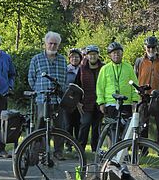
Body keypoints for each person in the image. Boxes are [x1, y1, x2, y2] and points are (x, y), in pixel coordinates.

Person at [28, 31, 68, 159]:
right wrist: (38, 90)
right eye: (50, 43)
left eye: (55, 44)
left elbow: (65, 78)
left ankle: (58, 151)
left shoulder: (62, 60)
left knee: (59, 126)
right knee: (40, 125)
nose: (52, 46)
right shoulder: (36, 59)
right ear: (45, 44)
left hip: (58, 98)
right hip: (42, 98)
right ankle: (38, 150)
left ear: (58, 45)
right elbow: (31, 78)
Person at [134, 36, 159, 144]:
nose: (151, 50)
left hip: (157, 96)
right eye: (149, 47)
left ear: (156, 48)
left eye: (153, 47)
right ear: (145, 47)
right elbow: (135, 76)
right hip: (143, 96)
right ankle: (143, 149)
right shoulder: (139, 61)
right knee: (143, 124)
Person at [96, 42, 139, 120]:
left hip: (126, 103)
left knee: (125, 128)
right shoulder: (105, 69)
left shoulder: (128, 67)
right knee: (112, 128)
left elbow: (134, 85)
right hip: (110, 103)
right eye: (114, 53)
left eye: (118, 52)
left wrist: (135, 100)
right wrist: (101, 102)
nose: (116, 55)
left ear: (122, 54)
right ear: (110, 55)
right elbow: (100, 87)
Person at [74, 45, 104, 153]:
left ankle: (95, 149)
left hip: (100, 103)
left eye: (94, 54)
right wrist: (77, 102)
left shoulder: (103, 68)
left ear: (98, 55)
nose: (92, 57)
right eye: (90, 55)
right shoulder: (81, 69)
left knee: (97, 127)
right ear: (86, 56)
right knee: (85, 124)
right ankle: (80, 149)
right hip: (86, 103)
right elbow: (76, 86)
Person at [63, 48, 82, 140]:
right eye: (72, 57)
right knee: (68, 123)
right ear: (69, 58)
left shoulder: (83, 70)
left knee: (78, 123)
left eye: (77, 57)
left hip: (79, 101)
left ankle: (78, 143)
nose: (75, 59)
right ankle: (68, 143)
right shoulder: (65, 70)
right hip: (68, 99)